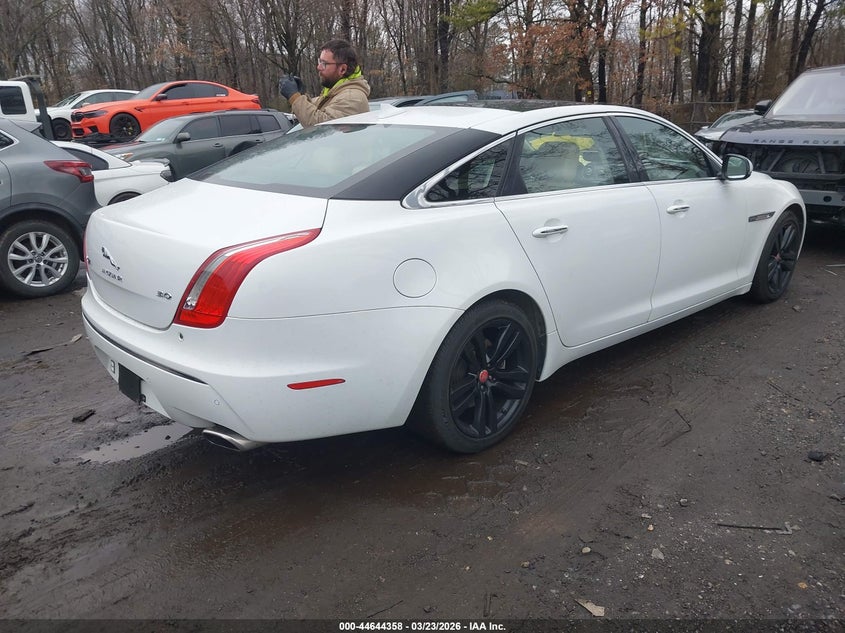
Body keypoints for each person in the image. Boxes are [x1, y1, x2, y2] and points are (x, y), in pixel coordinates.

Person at [279, 39, 370, 127]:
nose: (318, 67)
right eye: (319, 61)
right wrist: (301, 95)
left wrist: (294, 97)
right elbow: (317, 111)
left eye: (324, 63)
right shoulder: (335, 91)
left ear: (342, 69)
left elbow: (320, 126)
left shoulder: (351, 98)